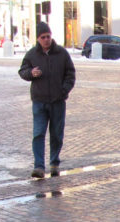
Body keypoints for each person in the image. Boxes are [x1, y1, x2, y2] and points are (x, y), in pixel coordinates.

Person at [18, 22, 76, 178]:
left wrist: (63, 91)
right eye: (43, 37)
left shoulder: (62, 54)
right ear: (38, 39)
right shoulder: (31, 55)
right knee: (38, 133)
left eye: (48, 36)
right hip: (39, 101)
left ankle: (54, 163)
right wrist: (31, 73)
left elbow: (70, 74)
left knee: (57, 134)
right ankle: (39, 166)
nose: (46, 40)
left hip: (58, 101)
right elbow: (22, 71)